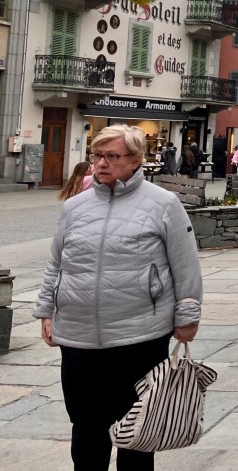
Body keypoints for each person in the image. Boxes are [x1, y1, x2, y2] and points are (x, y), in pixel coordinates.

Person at [34, 125, 202, 471]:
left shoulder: (163, 204)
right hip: (78, 337)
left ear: (136, 160)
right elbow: (57, 263)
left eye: (112, 156)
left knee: (136, 431)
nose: (101, 163)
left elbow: (185, 265)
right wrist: (46, 310)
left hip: (138, 335)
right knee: (85, 426)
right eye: (97, 155)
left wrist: (187, 314)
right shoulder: (74, 207)